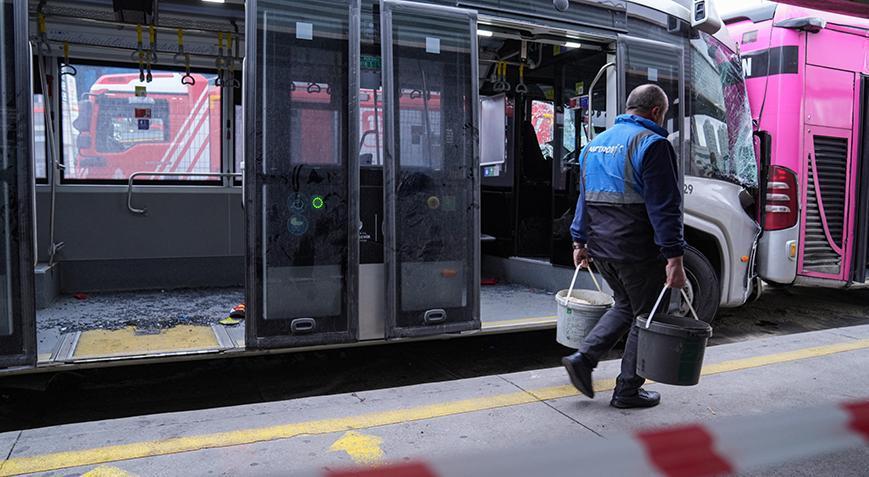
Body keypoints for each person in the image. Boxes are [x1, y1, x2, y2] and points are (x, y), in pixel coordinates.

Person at [562, 84, 686, 409]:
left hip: (602, 249)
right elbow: (665, 207)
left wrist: (579, 240)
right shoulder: (653, 144)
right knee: (646, 315)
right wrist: (675, 256)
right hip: (636, 250)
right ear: (656, 111)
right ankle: (628, 389)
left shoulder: (594, 146)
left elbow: (584, 200)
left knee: (625, 306)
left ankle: (583, 358)